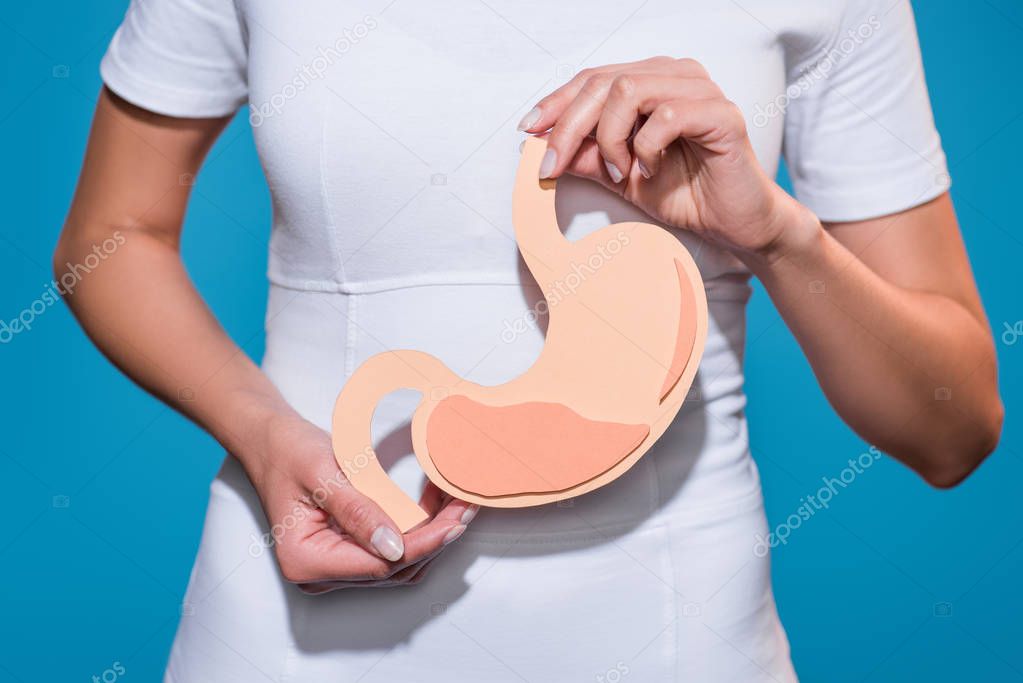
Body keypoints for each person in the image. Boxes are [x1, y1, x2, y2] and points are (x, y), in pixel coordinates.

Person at [56, 0, 1002, 680]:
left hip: (678, 637)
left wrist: (774, 234)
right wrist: (265, 435)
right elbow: (108, 242)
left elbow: (952, 428)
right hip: (290, 632)